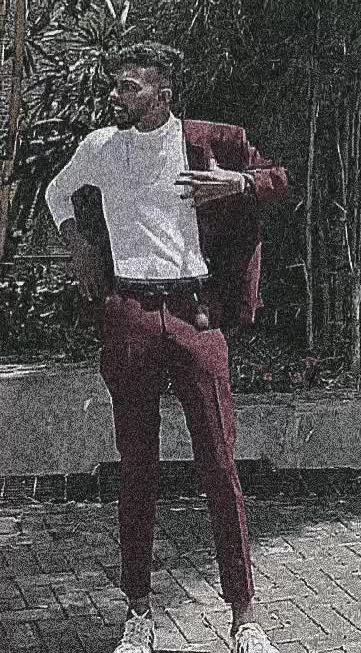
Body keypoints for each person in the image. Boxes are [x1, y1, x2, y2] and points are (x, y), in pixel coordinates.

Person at [45, 41, 289, 653]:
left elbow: (280, 179)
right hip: (129, 313)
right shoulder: (100, 147)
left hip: (194, 314)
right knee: (137, 468)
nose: (115, 95)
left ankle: (244, 618)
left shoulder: (209, 141)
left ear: (163, 93)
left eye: (129, 86)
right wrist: (80, 248)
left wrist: (236, 182)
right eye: (115, 85)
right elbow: (56, 193)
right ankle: (138, 614)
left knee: (220, 465)